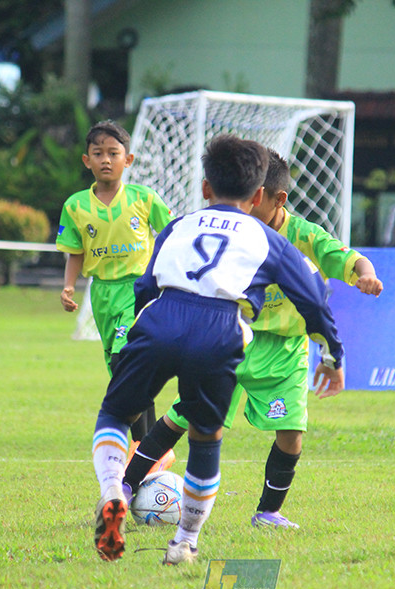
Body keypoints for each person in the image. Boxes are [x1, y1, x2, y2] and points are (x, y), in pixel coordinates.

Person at [90, 134, 345, 564]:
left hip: (161, 318)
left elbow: (146, 284)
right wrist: (333, 354)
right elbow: (314, 299)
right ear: (259, 194)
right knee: (206, 440)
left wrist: (141, 329)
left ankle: (114, 490)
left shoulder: (178, 224)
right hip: (220, 330)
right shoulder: (269, 240)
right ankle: (184, 543)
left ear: (206, 188)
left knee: (116, 414)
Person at [121, 149, 381, 529]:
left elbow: (346, 257)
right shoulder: (235, 233)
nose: (243, 209)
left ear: (276, 200)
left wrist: (366, 275)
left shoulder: (304, 235)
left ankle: (268, 512)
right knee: (182, 416)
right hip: (231, 339)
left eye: (252, 201)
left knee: (292, 433)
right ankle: (125, 488)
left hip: (285, 353)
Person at [56, 120, 171, 443]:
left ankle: (145, 448)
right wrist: (68, 286)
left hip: (139, 290)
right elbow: (75, 251)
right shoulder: (75, 205)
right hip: (102, 294)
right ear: (86, 160)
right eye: (98, 153)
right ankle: (147, 445)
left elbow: (172, 233)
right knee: (123, 373)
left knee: (127, 359)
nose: (106, 160)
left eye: (113, 153)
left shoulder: (144, 198)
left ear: (128, 159)